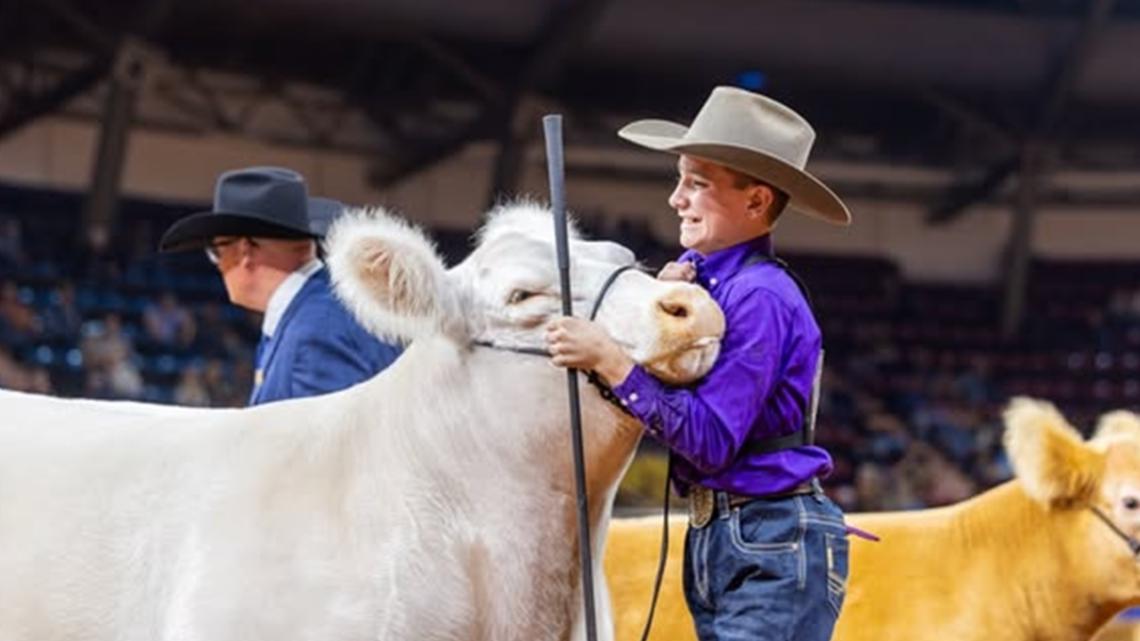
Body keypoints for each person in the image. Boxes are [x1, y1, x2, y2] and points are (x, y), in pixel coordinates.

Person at [545, 87, 853, 640]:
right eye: (680, 180)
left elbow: (709, 440)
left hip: (769, 533)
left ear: (756, 202)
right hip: (736, 532)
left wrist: (612, 359)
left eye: (697, 184)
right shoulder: (704, 284)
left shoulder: (760, 297)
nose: (676, 199)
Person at [158, 166, 401, 405]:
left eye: (217, 251)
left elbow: (327, 434)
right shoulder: (319, 311)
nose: (218, 264)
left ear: (245, 251)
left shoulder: (314, 332)